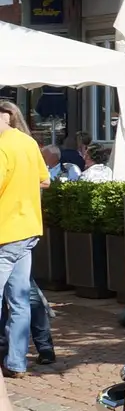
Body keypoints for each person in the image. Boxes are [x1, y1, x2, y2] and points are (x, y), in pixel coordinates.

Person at [0, 99, 50, 378]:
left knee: (16, 299)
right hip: (28, 228)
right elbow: (45, 179)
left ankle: (14, 362)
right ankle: (17, 362)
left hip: (5, 231)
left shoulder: (2, 147)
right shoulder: (28, 143)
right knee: (20, 300)